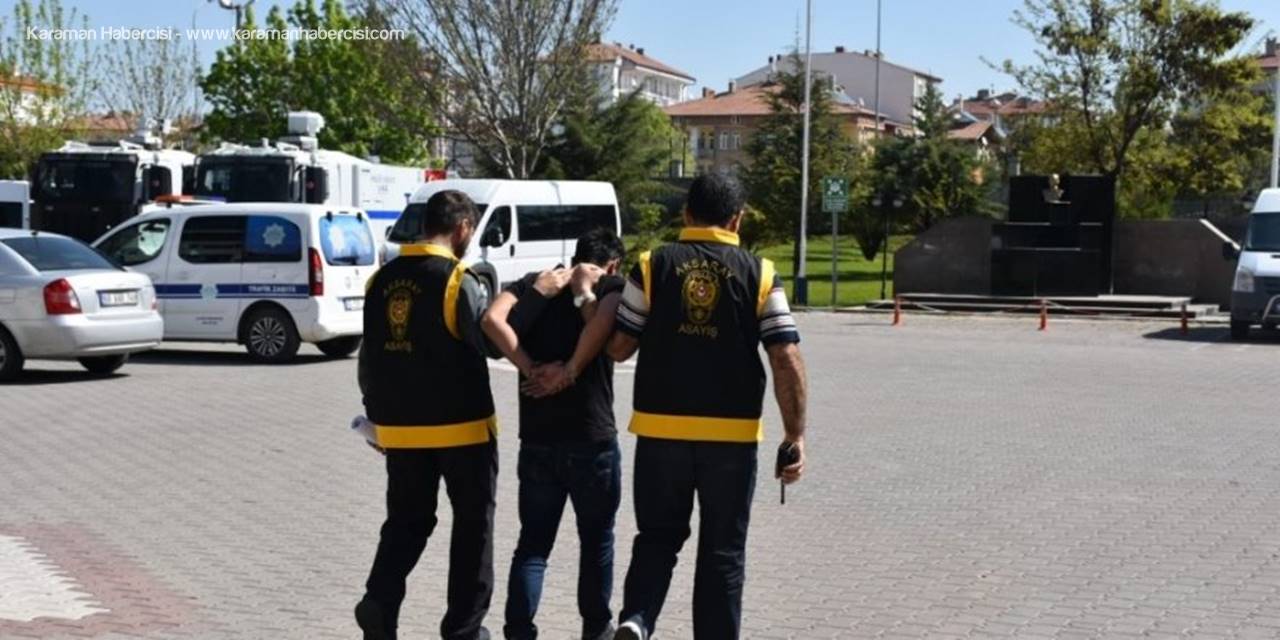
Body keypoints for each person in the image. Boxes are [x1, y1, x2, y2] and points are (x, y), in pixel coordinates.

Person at [607, 173, 809, 640]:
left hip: (660, 432)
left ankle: (636, 619)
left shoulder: (651, 265)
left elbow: (619, 347)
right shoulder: (761, 273)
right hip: (731, 439)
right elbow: (785, 355)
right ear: (737, 219)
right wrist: (794, 435)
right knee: (723, 551)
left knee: (656, 537)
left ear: (686, 214)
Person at [355, 190, 499, 640]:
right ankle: (463, 628)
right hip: (462, 428)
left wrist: (376, 419)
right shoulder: (458, 279)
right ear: (462, 228)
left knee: (407, 520)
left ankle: (379, 600)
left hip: (401, 429)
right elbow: (487, 341)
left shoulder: (380, 280)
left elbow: (369, 358)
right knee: (473, 525)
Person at [481, 228, 628, 640]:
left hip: (538, 440)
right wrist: (583, 296)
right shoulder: (610, 288)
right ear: (613, 264)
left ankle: (518, 631)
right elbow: (605, 333)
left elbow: (492, 320)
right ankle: (596, 630)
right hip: (591, 439)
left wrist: (530, 368)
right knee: (596, 542)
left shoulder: (534, 283)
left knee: (533, 545)